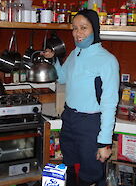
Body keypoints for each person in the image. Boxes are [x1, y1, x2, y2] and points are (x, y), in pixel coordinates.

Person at [43, 9, 120, 186]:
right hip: (69, 118)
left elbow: (109, 103)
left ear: (95, 29)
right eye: (74, 28)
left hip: (90, 123)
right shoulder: (75, 53)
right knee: (69, 165)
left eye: (83, 28)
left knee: (90, 174)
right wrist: (54, 59)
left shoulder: (107, 60)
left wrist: (104, 142)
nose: (78, 33)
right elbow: (62, 78)